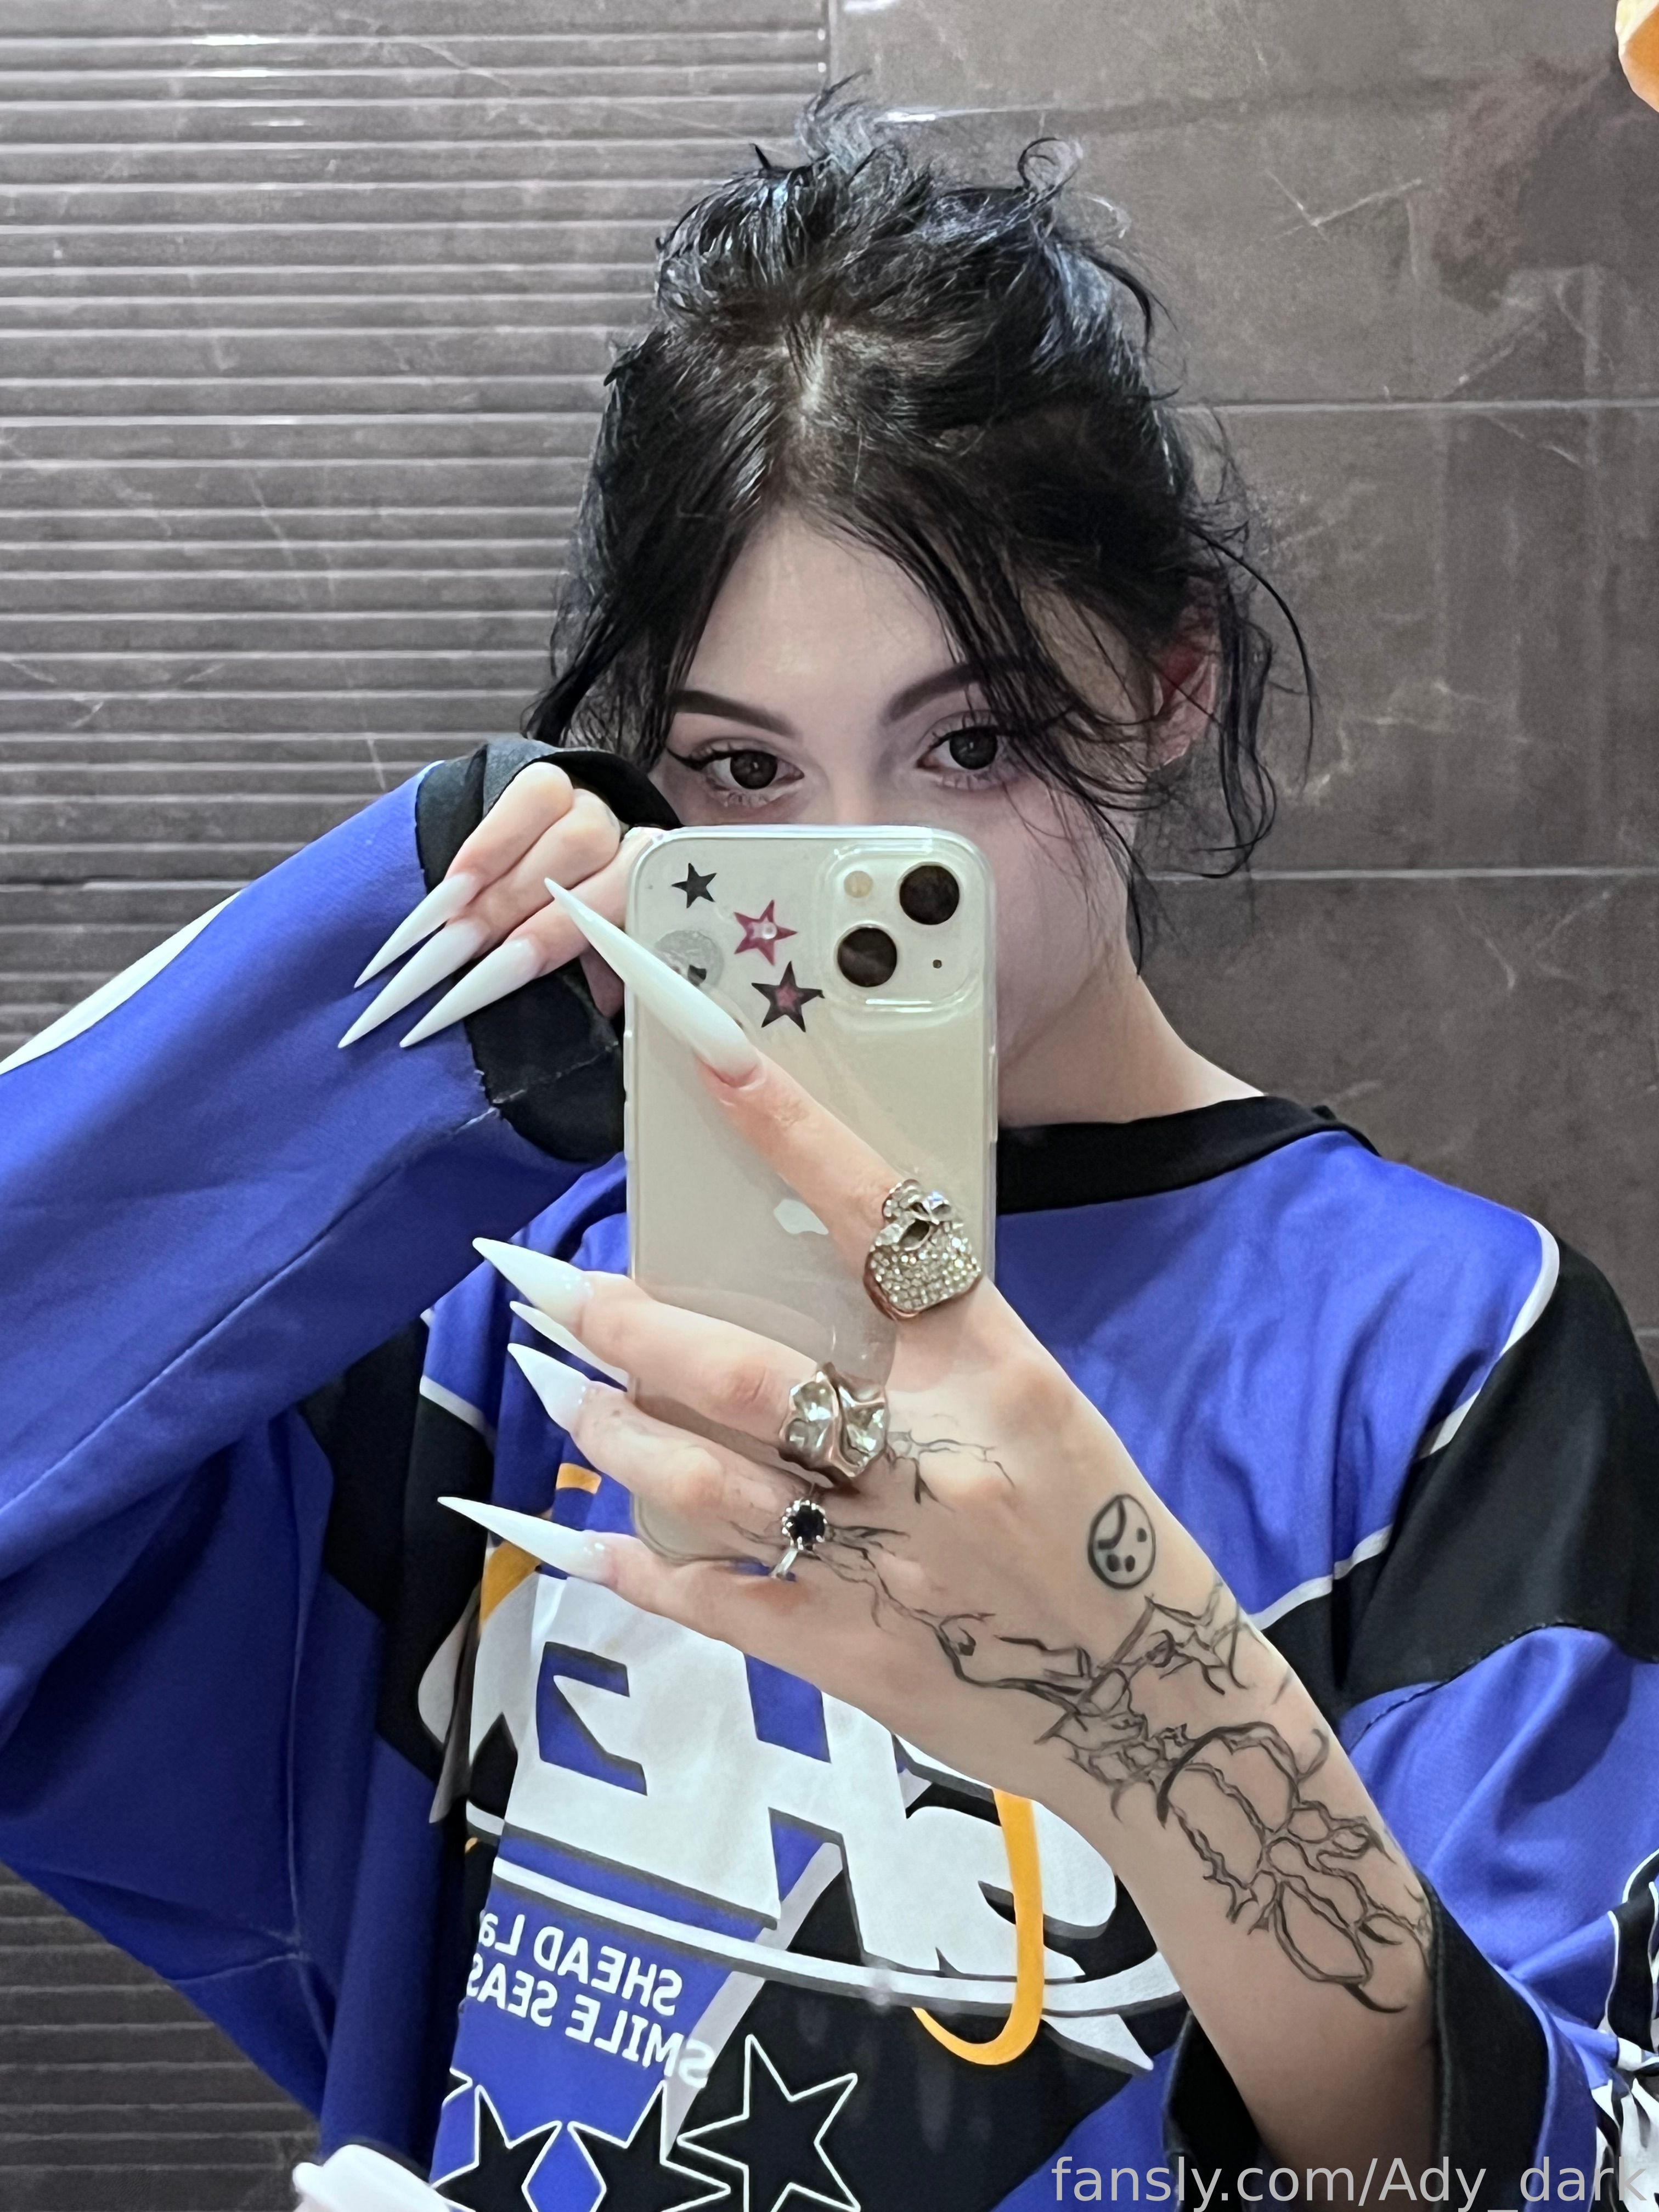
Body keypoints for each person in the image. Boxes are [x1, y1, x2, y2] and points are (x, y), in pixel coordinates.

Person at [1, 103, 1655, 2212]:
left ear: (1169, 685)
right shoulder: (535, 1299)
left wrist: (1155, 1710)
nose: (861, 862)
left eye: (975, 741)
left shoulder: (1448, 1356)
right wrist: (406, 993)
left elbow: (1557, 2171)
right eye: (741, 771)